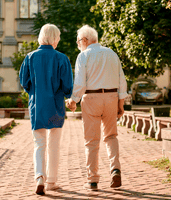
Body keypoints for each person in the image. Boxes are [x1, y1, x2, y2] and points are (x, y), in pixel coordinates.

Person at [67, 25, 127, 191]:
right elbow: (122, 80)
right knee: (111, 136)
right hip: (111, 97)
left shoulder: (83, 56)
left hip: (91, 98)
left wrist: (73, 101)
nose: (78, 44)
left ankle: (92, 180)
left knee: (91, 141)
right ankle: (115, 169)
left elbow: (79, 82)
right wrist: (120, 103)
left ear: (85, 40)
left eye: (79, 41)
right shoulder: (112, 54)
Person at [19, 24, 73, 195]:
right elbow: (67, 86)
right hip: (56, 107)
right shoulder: (62, 58)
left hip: (37, 106)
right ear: (55, 38)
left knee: (39, 144)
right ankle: (51, 181)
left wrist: (34, 92)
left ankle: (39, 177)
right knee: (54, 144)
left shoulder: (29, 57)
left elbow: (24, 81)